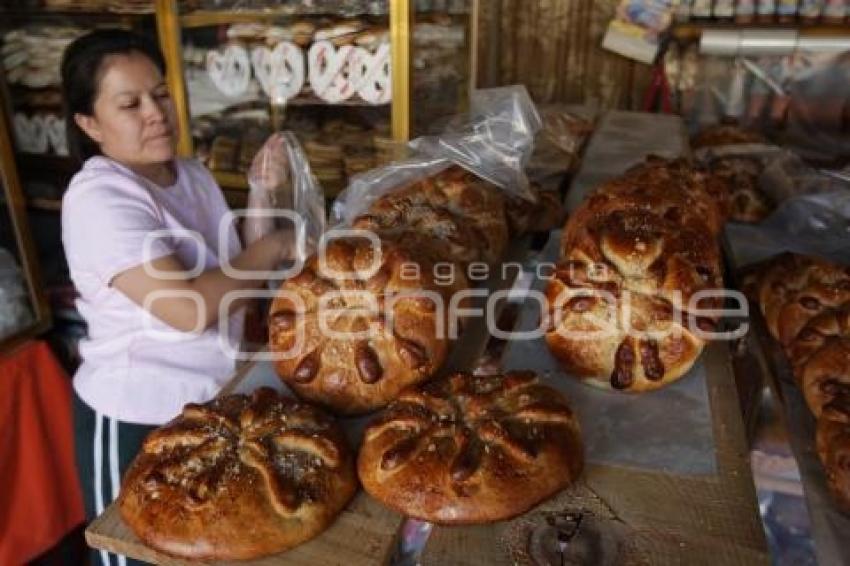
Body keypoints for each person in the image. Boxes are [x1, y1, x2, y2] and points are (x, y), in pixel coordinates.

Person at [60, 29, 291, 566]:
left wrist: (261, 195)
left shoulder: (191, 173)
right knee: (136, 555)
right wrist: (276, 246)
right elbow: (187, 309)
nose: (156, 113)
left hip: (212, 406)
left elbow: (235, 284)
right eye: (130, 103)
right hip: (138, 418)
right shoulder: (98, 198)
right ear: (89, 123)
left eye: (161, 93)